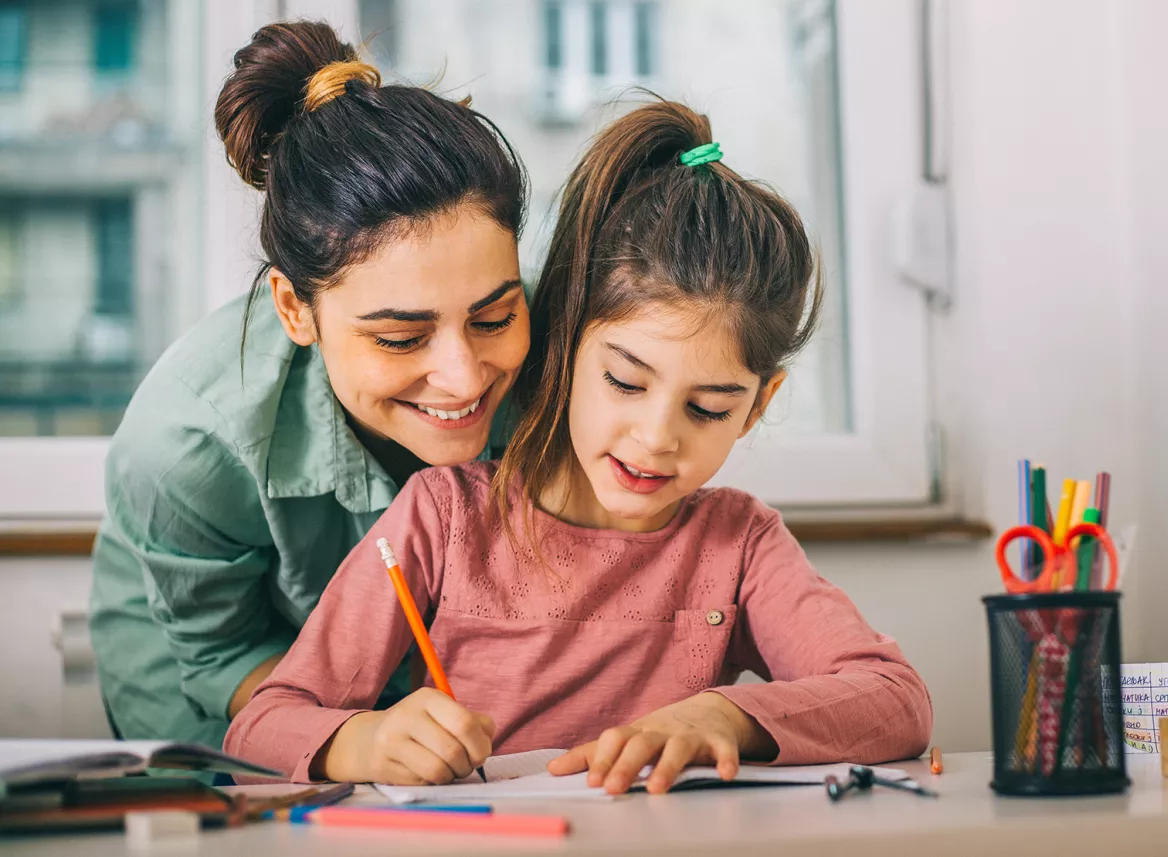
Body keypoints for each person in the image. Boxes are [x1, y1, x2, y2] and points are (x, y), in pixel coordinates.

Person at [225, 100, 933, 793]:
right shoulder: (444, 517)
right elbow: (261, 723)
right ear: (564, 347)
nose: (657, 437)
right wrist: (363, 740)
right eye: (626, 382)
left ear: (758, 407)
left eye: (709, 407)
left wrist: (723, 714)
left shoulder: (739, 545)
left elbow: (897, 700)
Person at [89, 20, 531, 748]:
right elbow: (221, 652)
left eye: (494, 316)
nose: (463, 376)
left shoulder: (568, 355)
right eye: (400, 337)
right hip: (216, 679)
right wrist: (355, 737)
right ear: (296, 309)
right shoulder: (186, 442)